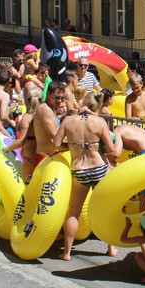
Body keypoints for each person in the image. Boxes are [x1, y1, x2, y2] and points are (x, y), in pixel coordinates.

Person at [53, 99, 122, 260]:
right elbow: (112, 150)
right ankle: (111, 248)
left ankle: (67, 252)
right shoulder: (99, 122)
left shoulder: (68, 121)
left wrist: (71, 147)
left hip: (79, 169)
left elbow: (56, 144)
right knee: (105, 210)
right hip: (99, 167)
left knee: (74, 211)